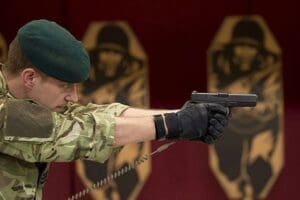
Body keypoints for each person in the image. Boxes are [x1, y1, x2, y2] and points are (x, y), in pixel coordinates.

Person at [0, 19, 229, 200]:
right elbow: (77, 132)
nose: (74, 96)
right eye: (64, 86)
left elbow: (90, 115)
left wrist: (180, 117)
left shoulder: (24, 99)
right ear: (30, 78)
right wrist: (172, 125)